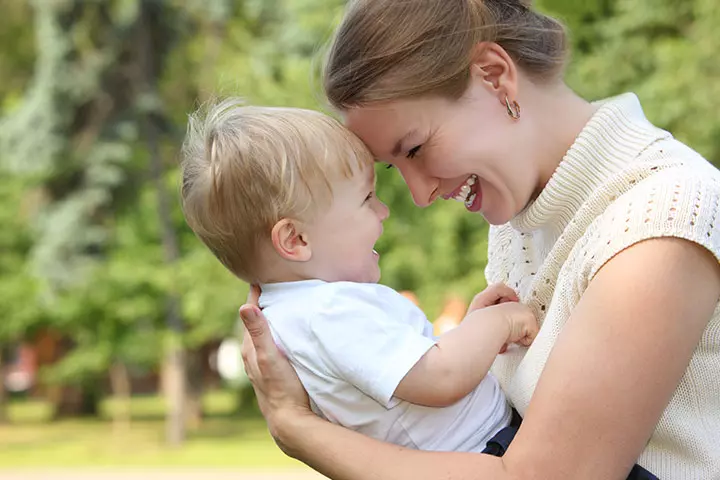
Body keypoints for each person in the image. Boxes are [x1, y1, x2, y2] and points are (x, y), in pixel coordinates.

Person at [238, 0, 720, 479]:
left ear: (494, 75)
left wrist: (297, 427)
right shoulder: (520, 221)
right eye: (394, 165)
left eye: (416, 148)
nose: (420, 194)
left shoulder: (659, 215)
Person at [179, 99, 540, 453]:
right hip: (486, 451)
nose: (382, 211)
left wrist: (470, 329)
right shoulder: (328, 312)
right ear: (296, 239)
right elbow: (441, 376)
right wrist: (499, 323)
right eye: (367, 198)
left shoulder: (294, 318)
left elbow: (411, 384)